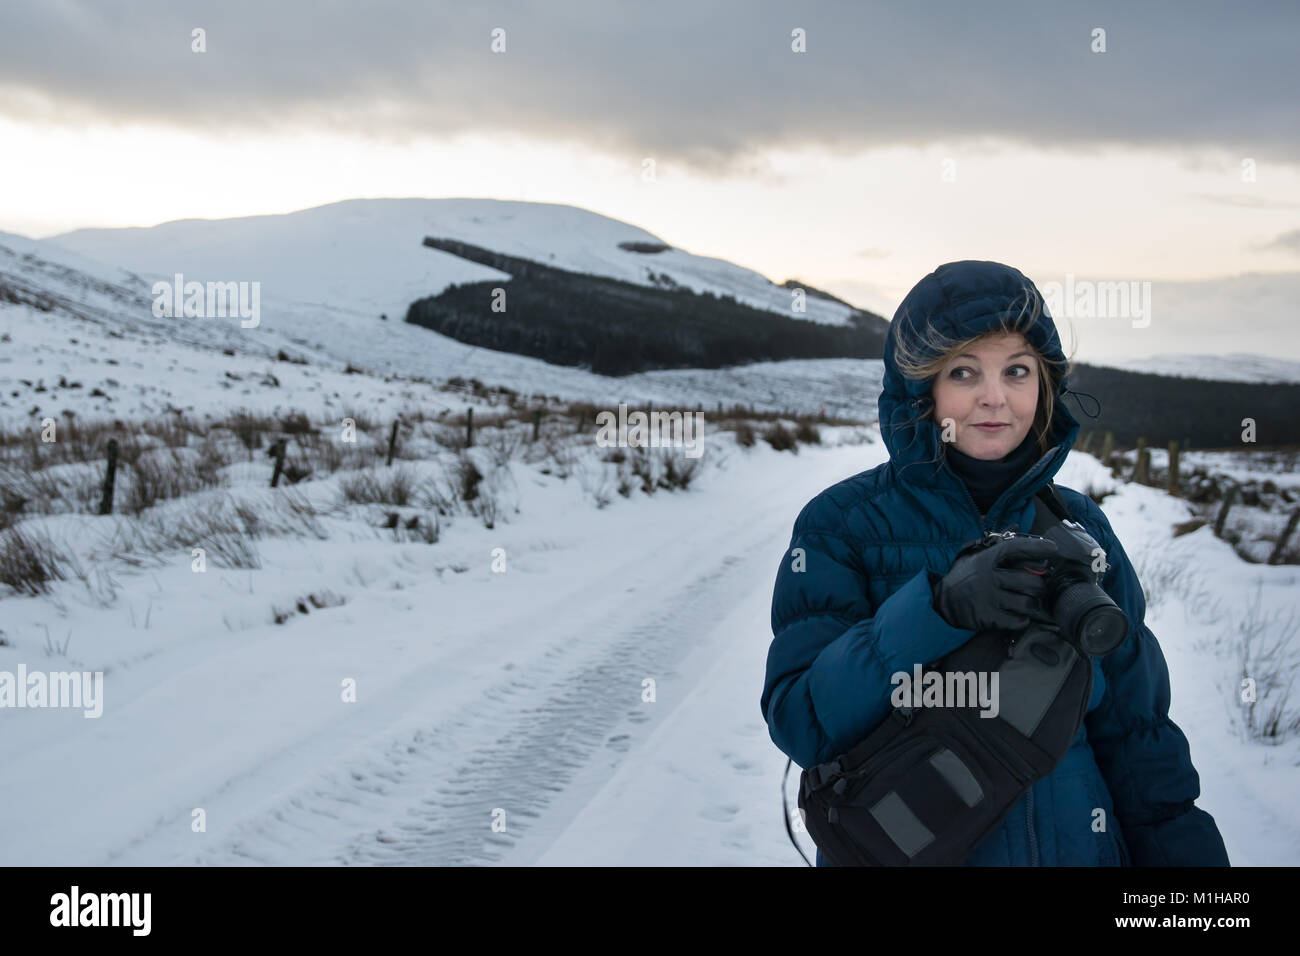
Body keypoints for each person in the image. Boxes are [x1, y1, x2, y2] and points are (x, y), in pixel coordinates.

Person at [761, 260, 1229, 867]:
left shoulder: (1083, 529)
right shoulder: (841, 526)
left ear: (1044, 385)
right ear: (921, 387)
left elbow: (1139, 740)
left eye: (1016, 370)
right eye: (963, 371)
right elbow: (803, 722)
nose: (994, 397)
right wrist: (935, 610)